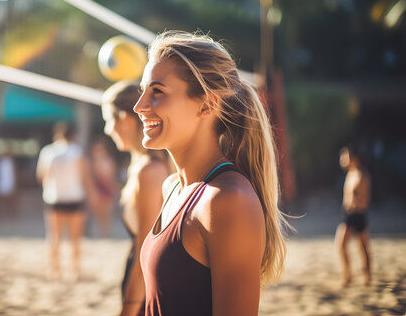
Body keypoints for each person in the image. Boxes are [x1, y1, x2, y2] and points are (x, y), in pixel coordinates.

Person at [134, 31, 289, 315]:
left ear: (208, 103)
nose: (139, 106)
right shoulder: (172, 188)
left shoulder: (228, 200)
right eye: (142, 90)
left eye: (157, 91)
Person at [102, 81, 169, 316]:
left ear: (126, 119)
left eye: (108, 121)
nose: (107, 130)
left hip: (147, 293)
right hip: (143, 287)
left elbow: (145, 250)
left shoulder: (150, 171)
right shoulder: (142, 165)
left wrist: (129, 308)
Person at [36, 123, 94, 281]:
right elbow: (85, 177)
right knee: (75, 238)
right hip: (75, 197)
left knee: (54, 236)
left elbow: (42, 176)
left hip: (54, 198)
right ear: (72, 136)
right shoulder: (78, 151)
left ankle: (54, 270)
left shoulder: (48, 151)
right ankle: (75, 271)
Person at [335, 145, 371, 286]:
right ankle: (348, 275)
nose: (342, 159)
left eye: (345, 156)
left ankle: (366, 275)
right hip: (349, 214)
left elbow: (364, 198)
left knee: (362, 247)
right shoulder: (350, 174)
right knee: (342, 245)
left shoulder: (361, 175)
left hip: (358, 215)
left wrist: (354, 205)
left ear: (353, 158)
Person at [87, 136, 119, 237]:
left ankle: (105, 234)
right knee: (98, 215)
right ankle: (102, 234)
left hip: (106, 189)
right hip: (96, 189)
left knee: (106, 215)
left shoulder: (108, 161)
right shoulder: (90, 162)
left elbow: (111, 177)